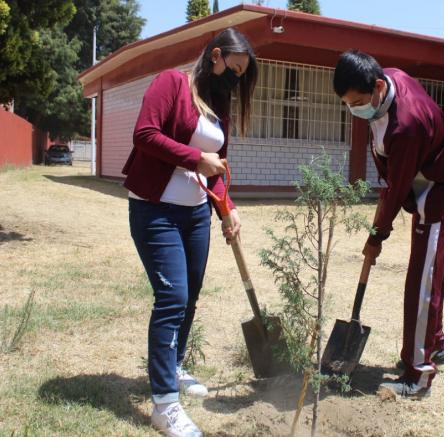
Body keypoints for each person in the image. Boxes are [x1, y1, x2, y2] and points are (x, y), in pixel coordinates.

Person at [122, 28, 257, 437]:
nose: (234, 80)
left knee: (191, 293)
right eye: (233, 69)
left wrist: (227, 209)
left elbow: (217, 168)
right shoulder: (171, 83)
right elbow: (145, 135)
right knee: (172, 297)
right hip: (155, 210)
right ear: (215, 56)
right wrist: (195, 157)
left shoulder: (218, 105)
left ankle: (175, 364)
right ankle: (164, 404)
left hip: (196, 214)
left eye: (241, 74)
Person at [333, 50, 444, 399]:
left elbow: (396, 187)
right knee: (431, 273)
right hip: (424, 183)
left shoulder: (406, 125)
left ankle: (418, 375)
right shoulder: (384, 84)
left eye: (359, 102)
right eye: (348, 104)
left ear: (378, 86)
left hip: (436, 193)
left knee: (420, 283)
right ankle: (434, 343)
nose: (355, 110)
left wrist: (377, 235)